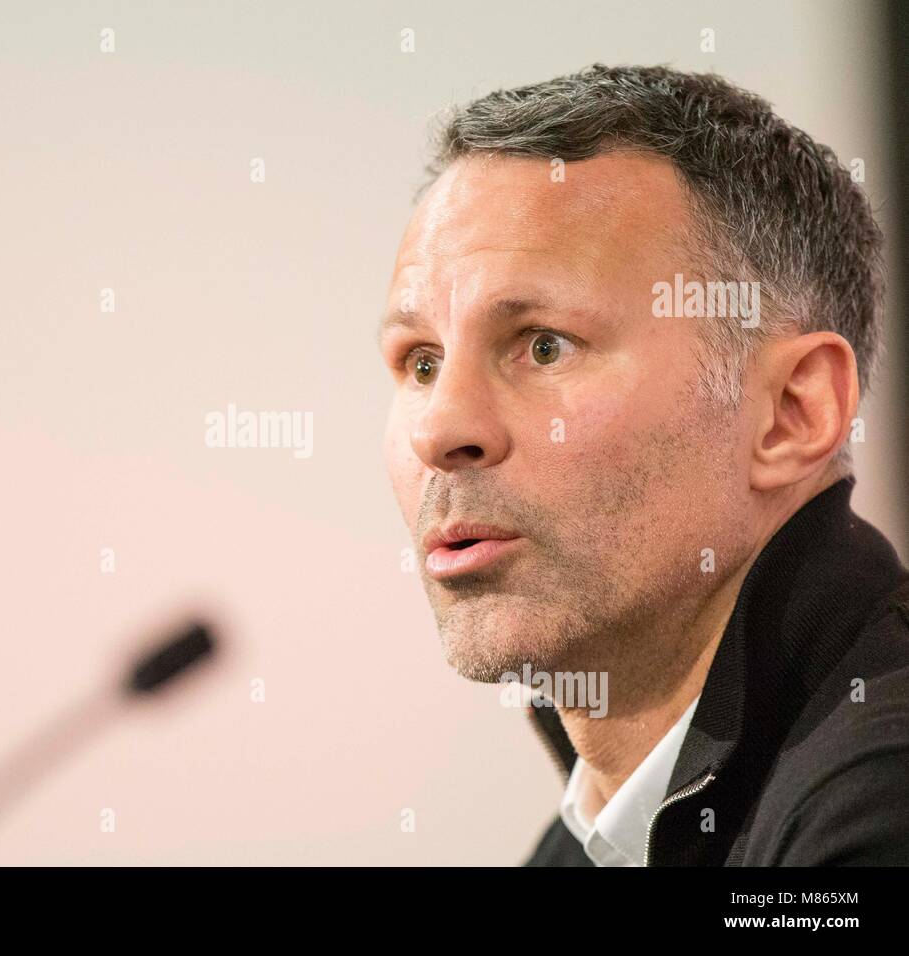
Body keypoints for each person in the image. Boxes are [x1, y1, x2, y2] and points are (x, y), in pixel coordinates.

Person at [378, 64, 909, 865]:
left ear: (791, 413)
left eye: (544, 346)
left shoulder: (879, 803)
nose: (440, 430)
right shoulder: (583, 844)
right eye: (420, 363)